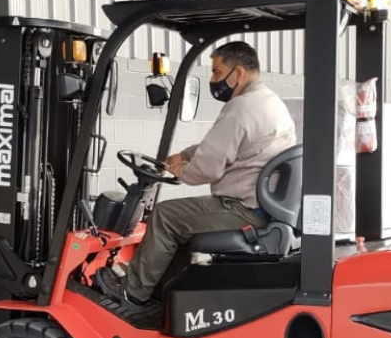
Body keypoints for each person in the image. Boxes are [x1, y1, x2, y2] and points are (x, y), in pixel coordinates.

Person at [94, 41, 297, 309]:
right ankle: (164, 292)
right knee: (180, 220)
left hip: (243, 210)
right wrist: (185, 154)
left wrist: (182, 169)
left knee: (165, 216)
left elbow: (208, 168)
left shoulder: (241, 109)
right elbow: (219, 146)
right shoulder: (268, 101)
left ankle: (132, 291)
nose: (213, 79)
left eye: (216, 72)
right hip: (260, 206)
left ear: (237, 73)